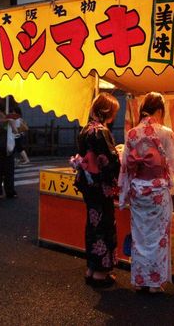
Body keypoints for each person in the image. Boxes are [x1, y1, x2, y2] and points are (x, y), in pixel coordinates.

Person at [118, 92, 174, 294]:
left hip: (137, 190)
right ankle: (154, 283)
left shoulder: (132, 133)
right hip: (157, 191)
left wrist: (123, 196)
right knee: (158, 237)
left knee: (140, 237)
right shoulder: (165, 132)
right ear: (159, 111)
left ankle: (140, 280)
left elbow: (125, 166)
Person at [72, 92, 121, 288]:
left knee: (93, 224)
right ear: (107, 111)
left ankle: (91, 268)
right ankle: (101, 272)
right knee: (105, 225)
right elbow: (110, 160)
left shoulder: (85, 130)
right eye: (114, 111)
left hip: (88, 183)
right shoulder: (101, 131)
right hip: (101, 186)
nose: (115, 116)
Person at [0, 102, 18, 199]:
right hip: (0, 147)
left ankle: (8, 191)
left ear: (0, 110)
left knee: (8, 170)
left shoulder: (10, 120)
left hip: (8, 147)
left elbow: (15, 131)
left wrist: (10, 123)